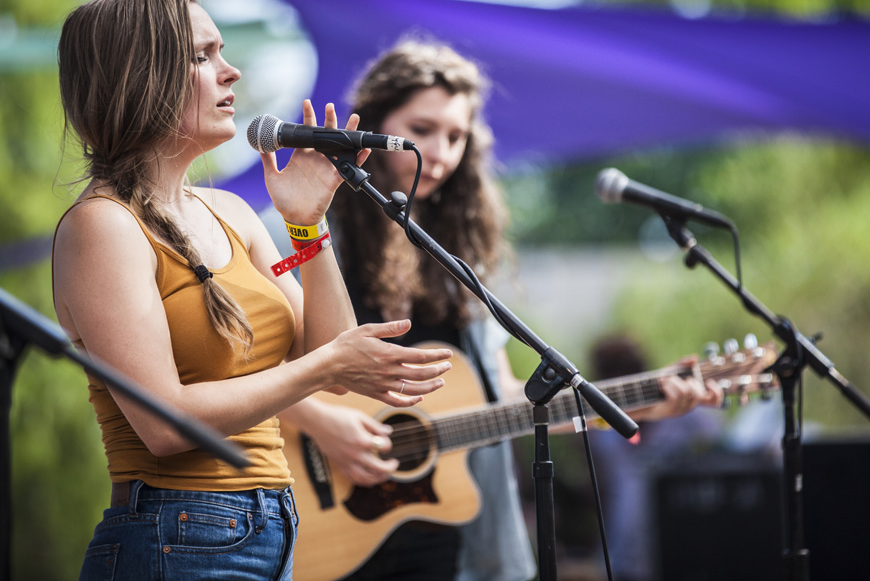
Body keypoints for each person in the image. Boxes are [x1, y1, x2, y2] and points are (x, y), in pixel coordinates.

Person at [50, 0, 453, 581]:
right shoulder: (101, 227)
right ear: (141, 77)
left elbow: (325, 353)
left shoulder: (232, 214)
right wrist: (325, 368)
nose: (231, 71)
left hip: (274, 529)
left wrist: (306, 225)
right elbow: (163, 423)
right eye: (202, 56)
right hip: (173, 533)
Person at [279, 39, 724, 581]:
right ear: (373, 126)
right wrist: (325, 425)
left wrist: (636, 404)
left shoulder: (458, 259)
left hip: (443, 535)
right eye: (422, 130)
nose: (440, 152)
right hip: (329, 524)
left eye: (457, 136)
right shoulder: (311, 233)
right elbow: (246, 368)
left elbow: (507, 400)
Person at [587, 334, 724, 581]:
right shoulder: (601, 432)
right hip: (619, 557)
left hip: (680, 551)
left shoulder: (688, 418)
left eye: (627, 371)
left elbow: (719, 450)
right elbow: (603, 490)